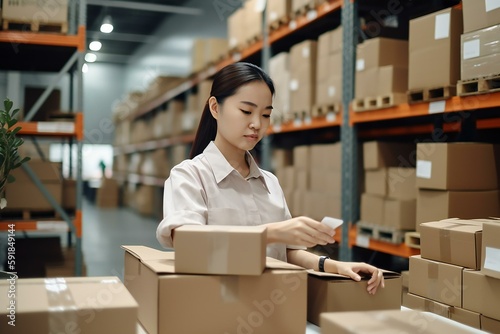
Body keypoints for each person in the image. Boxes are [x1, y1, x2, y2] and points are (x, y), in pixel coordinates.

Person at [156, 62, 384, 294]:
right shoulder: (189, 176)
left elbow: (285, 252)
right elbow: (187, 243)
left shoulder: (270, 183)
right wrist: (272, 232)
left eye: (266, 114)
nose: (257, 124)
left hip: (271, 306)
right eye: (246, 111)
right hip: (216, 305)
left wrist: (333, 266)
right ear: (215, 108)